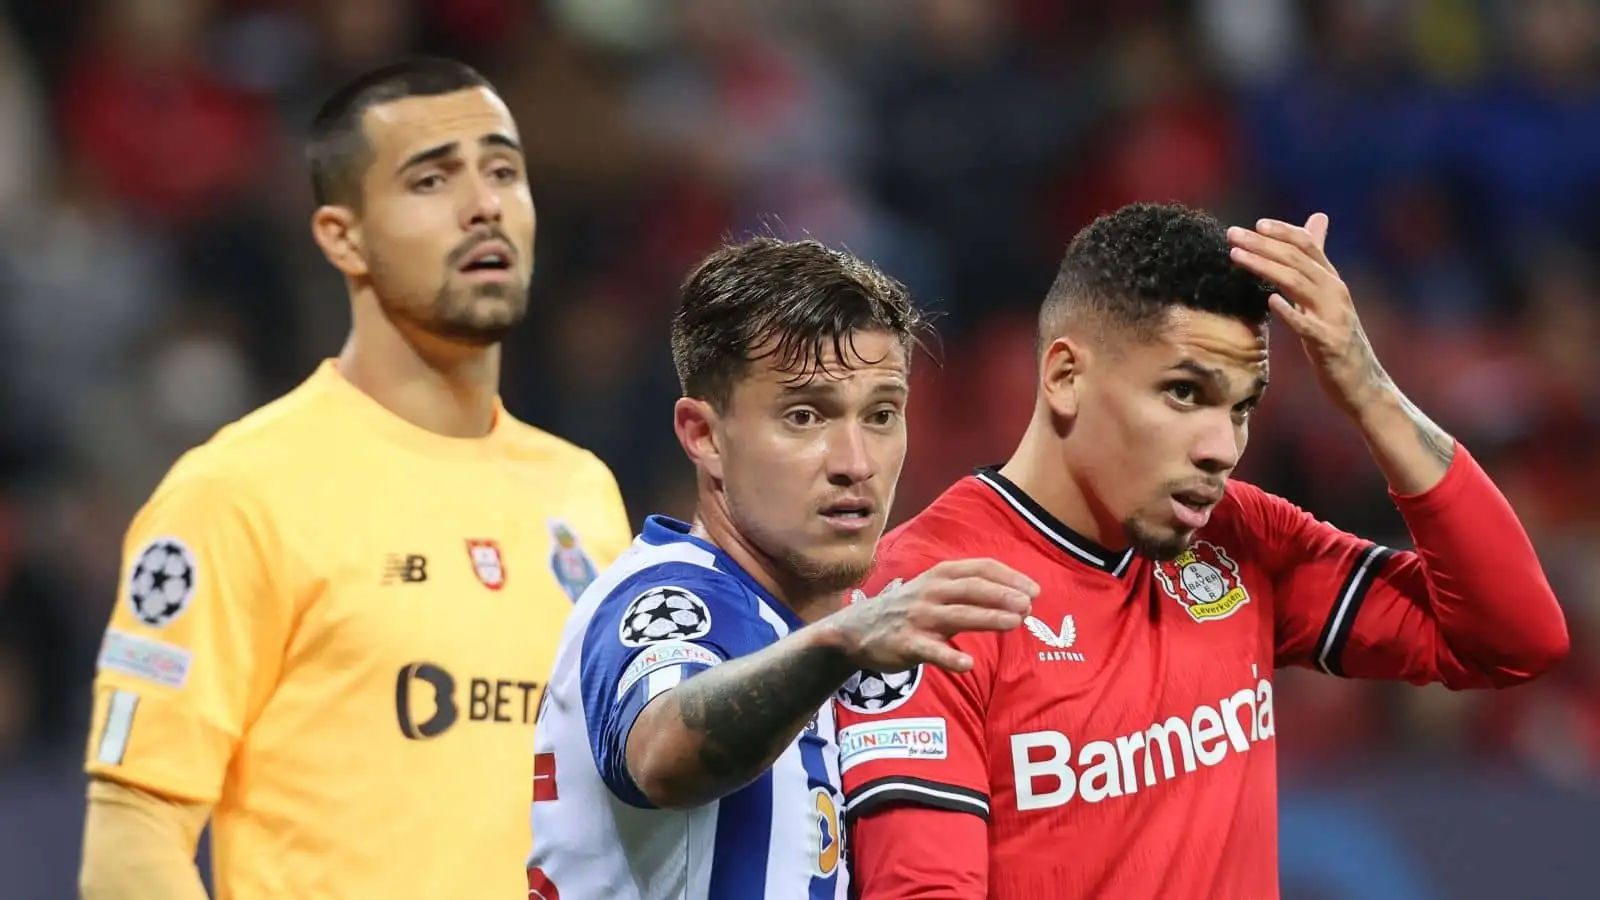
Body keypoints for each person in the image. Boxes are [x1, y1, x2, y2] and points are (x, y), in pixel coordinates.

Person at [835, 202, 1570, 899]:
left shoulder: (1241, 538)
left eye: (1242, 407)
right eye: (1185, 393)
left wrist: (1369, 393)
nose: (1222, 448)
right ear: (1065, 376)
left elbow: (1512, 640)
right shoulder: (927, 598)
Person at [78, 58, 634, 900]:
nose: (483, 204)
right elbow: (134, 829)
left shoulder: (583, 494)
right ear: (343, 236)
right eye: (432, 179)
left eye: (503, 171)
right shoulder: (238, 491)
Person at [525, 236, 1039, 900]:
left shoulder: (840, 635)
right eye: (805, 416)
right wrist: (839, 647)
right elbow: (661, 751)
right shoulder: (667, 595)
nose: (855, 460)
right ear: (704, 436)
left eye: (882, 415)